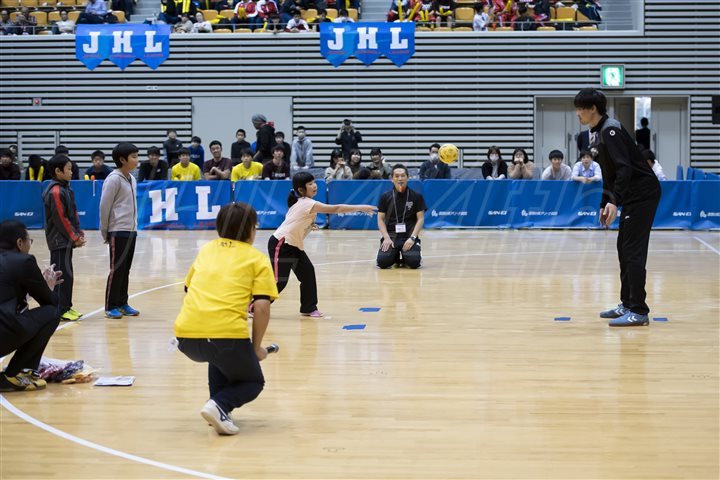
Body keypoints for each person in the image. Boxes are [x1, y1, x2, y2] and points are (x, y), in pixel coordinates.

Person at [175, 202, 278, 436]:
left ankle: (217, 409)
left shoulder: (207, 250)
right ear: (251, 229)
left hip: (185, 336)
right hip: (226, 336)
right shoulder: (257, 258)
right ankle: (220, 404)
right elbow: (262, 307)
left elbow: (188, 289)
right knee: (252, 382)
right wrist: (255, 348)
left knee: (219, 357)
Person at [574, 88, 661, 327]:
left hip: (642, 195)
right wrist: (605, 202)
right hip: (632, 196)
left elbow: (624, 168)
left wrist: (615, 200)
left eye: (580, 108)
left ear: (593, 109)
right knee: (623, 248)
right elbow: (609, 172)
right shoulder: (598, 132)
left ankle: (639, 310)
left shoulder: (610, 130)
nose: (577, 113)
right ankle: (627, 303)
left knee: (633, 251)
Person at [269, 172, 376, 317]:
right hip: (281, 244)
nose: (314, 186)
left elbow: (294, 219)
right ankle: (253, 306)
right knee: (279, 281)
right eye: (310, 184)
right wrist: (361, 207)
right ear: (301, 190)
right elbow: (336, 209)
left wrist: (309, 225)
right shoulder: (307, 203)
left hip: (293, 244)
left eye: (314, 182)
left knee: (307, 273)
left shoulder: (302, 202)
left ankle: (308, 308)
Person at [0, 220, 62, 392]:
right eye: (29, 241)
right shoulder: (24, 261)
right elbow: (50, 303)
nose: (29, 245)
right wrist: (48, 287)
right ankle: (17, 374)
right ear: (19, 243)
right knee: (52, 313)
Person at [42, 155, 87, 322]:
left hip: (65, 240)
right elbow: (61, 218)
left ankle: (66, 306)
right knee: (60, 276)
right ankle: (60, 309)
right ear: (58, 171)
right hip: (58, 241)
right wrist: (74, 237)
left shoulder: (66, 188)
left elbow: (72, 214)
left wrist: (79, 233)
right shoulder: (55, 191)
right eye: (68, 169)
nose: (71, 172)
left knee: (67, 275)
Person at [99, 143, 140, 320]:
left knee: (125, 270)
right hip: (117, 230)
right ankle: (110, 305)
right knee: (116, 270)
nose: (137, 160)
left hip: (131, 231)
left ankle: (123, 303)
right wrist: (105, 231)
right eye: (134, 157)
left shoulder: (132, 179)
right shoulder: (113, 179)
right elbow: (104, 206)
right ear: (122, 160)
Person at [376, 164, 426, 269]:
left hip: (409, 236)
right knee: (382, 262)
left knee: (414, 262)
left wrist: (413, 238)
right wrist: (386, 238)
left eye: (403, 176)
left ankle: (410, 254)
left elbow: (420, 219)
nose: (400, 179)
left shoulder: (416, 196)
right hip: (391, 237)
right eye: (397, 176)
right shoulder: (385, 197)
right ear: (392, 179)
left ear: (408, 178)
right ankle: (395, 257)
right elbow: (380, 220)